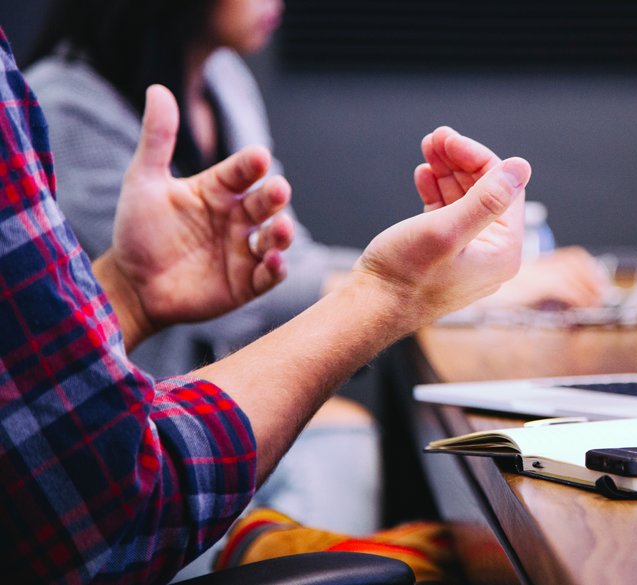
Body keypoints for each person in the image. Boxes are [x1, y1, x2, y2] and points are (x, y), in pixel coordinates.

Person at [0, 23, 533, 583]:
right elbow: (105, 508)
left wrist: (130, 295)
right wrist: (391, 293)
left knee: (346, 433)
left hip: (148, 457)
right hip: (133, 510)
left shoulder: (225, 80)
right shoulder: (64, 105)